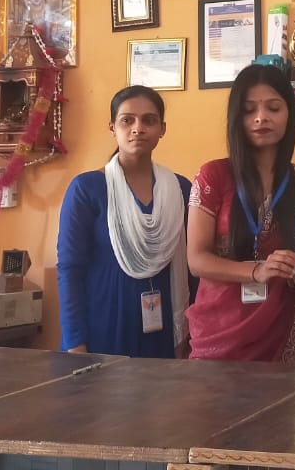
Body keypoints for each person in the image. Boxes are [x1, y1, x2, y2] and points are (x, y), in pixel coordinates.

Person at [185, 64, 295, 362]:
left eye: (273, 108)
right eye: (249, 110)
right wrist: (257, 270)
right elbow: (196, 260)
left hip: (284, 325)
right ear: (235, 118)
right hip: (221, 330)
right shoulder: (213, 176)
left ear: (289, 114)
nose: (261, 117)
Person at [57, 86, 193, 358]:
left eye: (149, 120)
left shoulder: (180, 189)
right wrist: (75, 343)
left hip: (165, 330)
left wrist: (191, 335)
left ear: (162, 129)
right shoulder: (87, 188)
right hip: (104, 327)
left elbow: (192, 270)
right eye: (127, 120)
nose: (138, 128)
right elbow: (70, 269)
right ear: (112, 128)